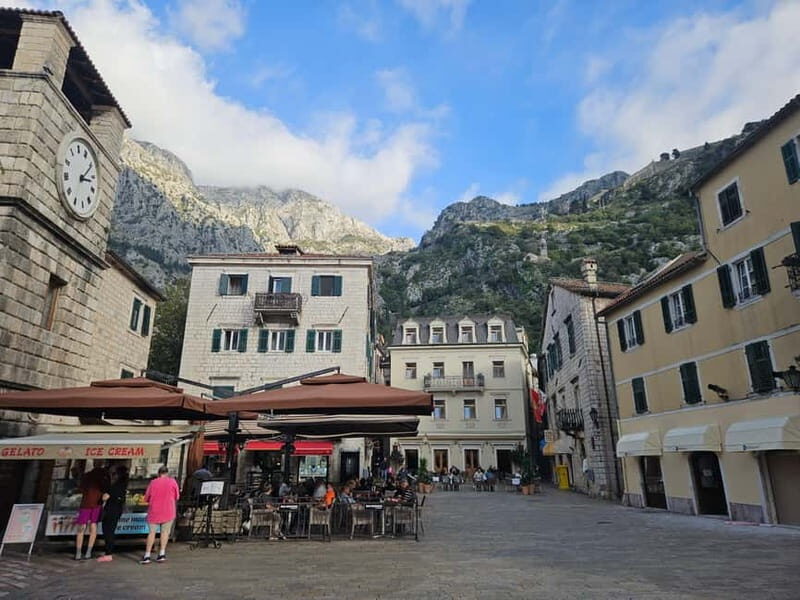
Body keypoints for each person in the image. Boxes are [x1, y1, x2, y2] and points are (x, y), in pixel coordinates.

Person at [140, 466, 180, 565]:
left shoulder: (153, 482)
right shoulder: (172, 482)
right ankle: (162, 554)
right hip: (168, 510)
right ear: (167, 473)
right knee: (165, 532)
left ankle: (147, 555)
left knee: (151, 533)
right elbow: (177, 496)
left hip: (154, 510)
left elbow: (146, 498)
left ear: (158, 473)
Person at [75, 462, 109, 560]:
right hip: (97, 504)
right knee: (93, 526)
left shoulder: (87, 476)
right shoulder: (103, 476)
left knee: (81, 528)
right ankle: (88, 552)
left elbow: (81, 488)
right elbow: (106, 490)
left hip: (85, 504)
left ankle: (78, 552)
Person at [97, 465, 129, 563]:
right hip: (117, 510)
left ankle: (108, 553)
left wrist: (104, 496)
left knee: (108, 532)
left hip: (110, 510)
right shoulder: (123, 484)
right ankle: (108, 552)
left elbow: (105, 497)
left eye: (114, 473)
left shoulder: (115, 486)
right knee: (110, 531)